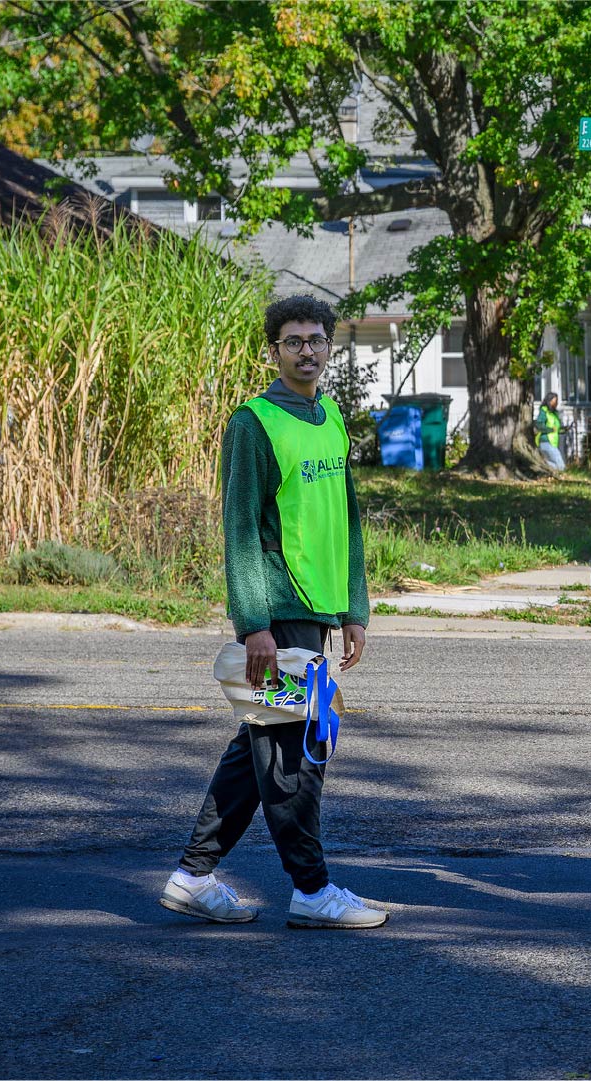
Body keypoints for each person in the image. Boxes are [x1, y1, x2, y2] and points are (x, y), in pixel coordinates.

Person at [160, 294, 384, 930]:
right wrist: (253, 625)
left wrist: (355, 607)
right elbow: (240, 532)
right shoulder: (254, 423)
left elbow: (347, 523)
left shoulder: (332, 417)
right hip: (278, 611)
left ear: (329, 348)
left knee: (258, 741)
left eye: (316, 340)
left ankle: (192, 876)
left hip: (318, 609)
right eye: (293, 341)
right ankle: (311, 891)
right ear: (274, 350)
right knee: (292, 755)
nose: (306, 350)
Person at [536, 391, 566, 472]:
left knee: (559, 466)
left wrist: (563, 430)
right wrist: (550, 429)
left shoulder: (554, 413)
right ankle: (539, 463)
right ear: (549, 401)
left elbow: (556, 428)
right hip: (546, 441)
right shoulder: (544, 411)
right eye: (554, 400)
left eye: (556, 401)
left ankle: (540, 464)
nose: (555, 403)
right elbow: (539, 424)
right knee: (561, 467)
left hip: (553, 443)